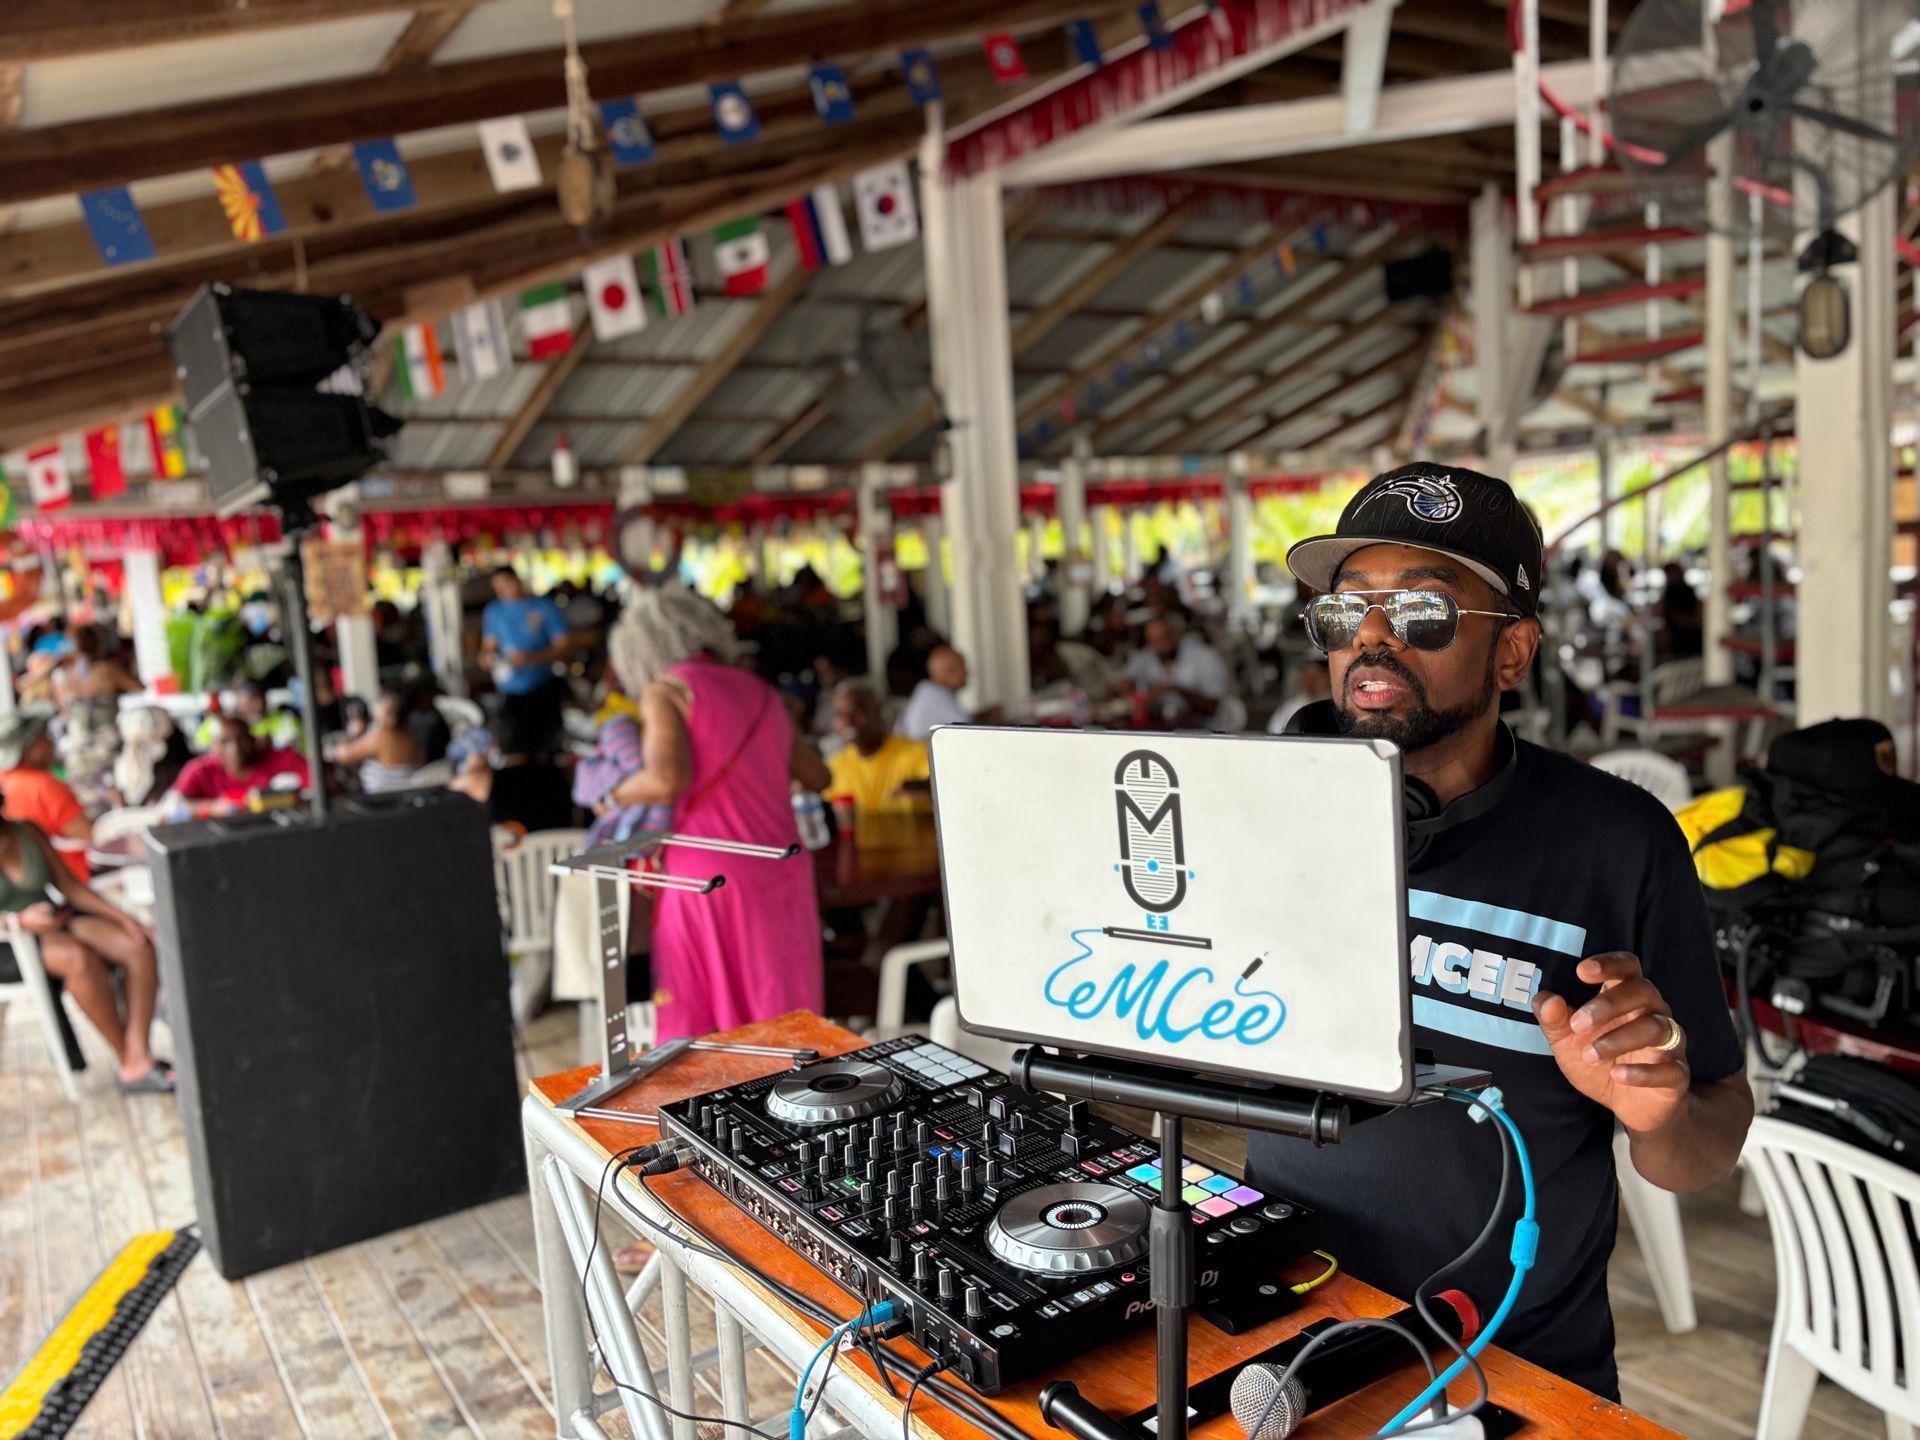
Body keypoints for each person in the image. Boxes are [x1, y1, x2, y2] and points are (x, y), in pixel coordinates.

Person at [1250, 463, 1751, 1400]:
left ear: (1513, 655)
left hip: (1516, 1372)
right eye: (1344, 611)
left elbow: (1706, 1149)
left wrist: (1661, 1111)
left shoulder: (1620, 840)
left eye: (1422, 614)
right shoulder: (1263, 812)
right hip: (1275, 1342)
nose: (1370, 637)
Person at [601, 585, 828, 1043]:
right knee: (787, 1022)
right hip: (782, 872)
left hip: (706, 876)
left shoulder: (666, 692)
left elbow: (667, 780)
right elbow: (818, 776)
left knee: (705, 1034)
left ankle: (721, 1117)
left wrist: (613, 796)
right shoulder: (763, 693)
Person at [0, 816, 168, 1091]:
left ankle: (138, 1053)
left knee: (137, 945)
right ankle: (130, 1063)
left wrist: (125, 919)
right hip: (8, 942)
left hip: (56, 921)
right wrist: (16, 922)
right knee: (78, 959)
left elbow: (70, 887)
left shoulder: (26, 831)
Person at [480, 567, 573, 758]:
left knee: (548, 748)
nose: (503, 591)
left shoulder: (544, 607)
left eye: (506, 584)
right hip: (510, 691)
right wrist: (488, 659)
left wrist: (531, 659)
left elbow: (564, 647)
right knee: (516, 749)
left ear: (517, 580)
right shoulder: (495, 611)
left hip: (542, 686)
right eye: (498, 588)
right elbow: (488, 647)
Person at [53, 624, 142, 814]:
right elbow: (139, 689)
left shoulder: (62, 678)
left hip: (78, 753)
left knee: (89, 808)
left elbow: (64, 714)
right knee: (119, 804)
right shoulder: (107, 671)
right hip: (109, 748)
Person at [0, 710, 94, 881]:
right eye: (45, 737)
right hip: (79, 872)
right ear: (33, 749)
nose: (51, 743)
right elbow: (88, 835)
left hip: (50, 877)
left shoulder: (5, 777)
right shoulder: (44, 786)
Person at [449, 708, 574, 833]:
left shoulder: (491, 782)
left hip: (512, 850)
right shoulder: (556, 776)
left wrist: (476, 761)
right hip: (562, 848)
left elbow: (453, 788)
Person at [826, 681, 929, 815]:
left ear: (878, 710)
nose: (847, 721)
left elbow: (942, 790)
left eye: (857, 711)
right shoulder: (835, 766)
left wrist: (924, 789)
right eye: (840, 714)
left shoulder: (916, 752)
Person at [167, 715, 310, 809]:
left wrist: (289, 792)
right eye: (224, 742)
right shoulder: (199, 770)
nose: (235, 748)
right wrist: (213, 807)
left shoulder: (284, 758)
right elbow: (173, 805)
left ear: (253, 740)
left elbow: (325, 782)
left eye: (241, 739)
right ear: (213, 746)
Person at [1121, 614, 1230, 728]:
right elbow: (1124, 681)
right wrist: (1126, 687)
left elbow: (1213, 706)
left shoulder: (1205, 656)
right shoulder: (1145, 656)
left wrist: (1177, 690)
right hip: (1158, 730)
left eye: (1163, 637)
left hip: (1202, 731)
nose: (1159, 645)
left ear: (1177, 633)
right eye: (1153, 640)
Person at [328, 688, 426, 793]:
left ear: (391, 717)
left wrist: (353, 734)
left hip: (381, 801)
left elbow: (345, 756)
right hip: (404, 800)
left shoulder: (382, 738)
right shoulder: (415, 740)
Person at [896, 645, 971, 741]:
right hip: (920, 754)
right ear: (949, 671)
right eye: (963, 667)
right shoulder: (935, 695)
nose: (967, 672)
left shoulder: (928, 691)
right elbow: (968, 728)